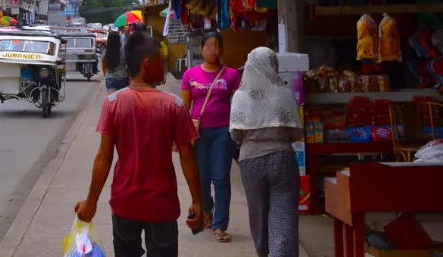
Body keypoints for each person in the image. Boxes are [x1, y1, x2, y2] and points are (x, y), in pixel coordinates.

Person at [75, 31, 202, 257]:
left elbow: (104, 157)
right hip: (162, 205)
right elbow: (187, 157)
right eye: (160, 62)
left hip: (125, 204)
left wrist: (91, 202)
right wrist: (197, 201)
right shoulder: (174, 105)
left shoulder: (113, 103)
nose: (164, 67)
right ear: (146, 64)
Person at [231, 47, 304, 257]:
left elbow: (235, 135)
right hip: (282, 158)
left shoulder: (240, 96)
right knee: (284, 213)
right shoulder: (285, 94)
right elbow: (297, 132)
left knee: (258, 214)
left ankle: (263, 253)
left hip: (250, 161)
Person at [180, 30, 241, 242]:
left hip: (223, 132)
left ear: (222, 49)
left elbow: (239, 104)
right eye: (209, 45)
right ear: (202, 49)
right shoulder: (190, 75)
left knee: (221, 178)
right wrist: (179, 135)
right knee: (202, 178)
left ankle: (220, 225)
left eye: (217, 45)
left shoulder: (232, 75)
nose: (213, 50)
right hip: (198, 133)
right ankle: (206, 210)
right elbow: (184, 107)